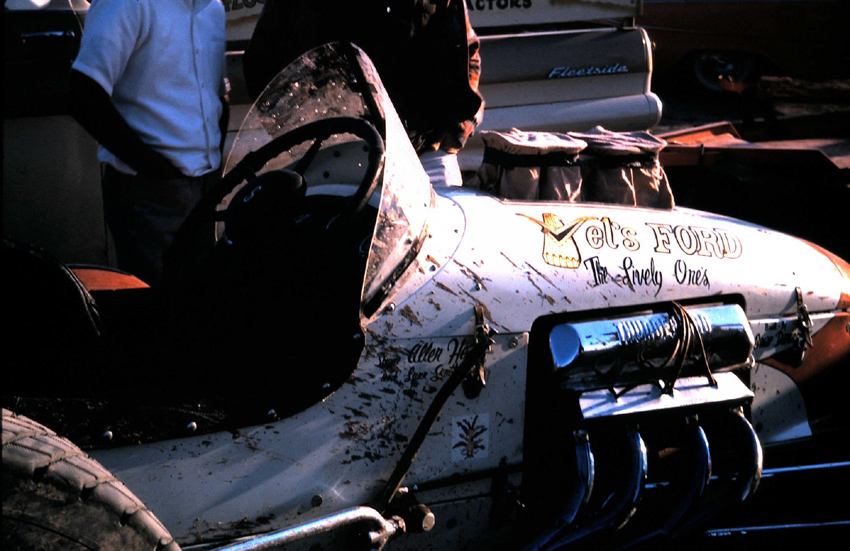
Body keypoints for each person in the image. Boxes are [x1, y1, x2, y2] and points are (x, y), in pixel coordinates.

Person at [69, 0, 228, 287]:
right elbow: (83, 93)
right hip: (148, 193)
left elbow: (215, 95)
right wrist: (153, 169)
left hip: (205, 187)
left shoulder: (212, 8)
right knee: (154, 302)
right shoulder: (127, 3)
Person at [243, 0, 484, 187]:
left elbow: (466, 50)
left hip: (426, 155)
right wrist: (301, 139)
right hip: (339, 161)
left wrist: (455, 134)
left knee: (443, 236)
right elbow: (263, 64)